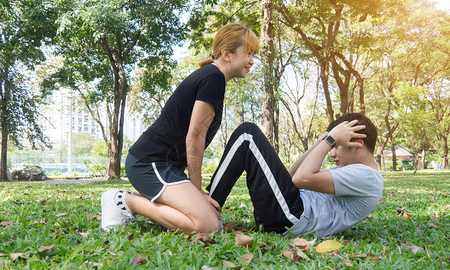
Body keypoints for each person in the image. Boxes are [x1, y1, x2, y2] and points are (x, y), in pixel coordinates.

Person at [101, 23, 259, 233]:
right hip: (149, 164)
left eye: (253, 54)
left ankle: (136, 202)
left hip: (166, 167)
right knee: (209, 226)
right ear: (226, 54)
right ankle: (124, 201)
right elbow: (195, 136)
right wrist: (197, 190)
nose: (251, 60)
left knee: (213, 220)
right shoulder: (213, 78)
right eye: (248, 53)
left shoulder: (213, 77)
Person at [206, 113, 383, 237]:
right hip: (289, 211)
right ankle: (208, 207)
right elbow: (293, 178)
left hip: (291, 217)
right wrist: (320, 142)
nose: (332, 153)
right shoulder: (353, 171)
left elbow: (302, 178)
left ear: (358, 145)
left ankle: (207, 209)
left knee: (247, 134)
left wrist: (329, 141)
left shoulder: (367, 176)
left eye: (337, 146)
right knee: (247, 135)